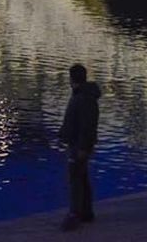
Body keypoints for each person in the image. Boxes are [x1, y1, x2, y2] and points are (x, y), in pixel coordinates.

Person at [58, 63, 101, 232]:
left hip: (78, 145)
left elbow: (86, 126)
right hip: (77, 143)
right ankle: (86, 211)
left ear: (72, 79)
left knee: (76, 178)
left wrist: (83, 147)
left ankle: (75, 214)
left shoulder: (83, 98)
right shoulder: (83, 95)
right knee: (81, 177)